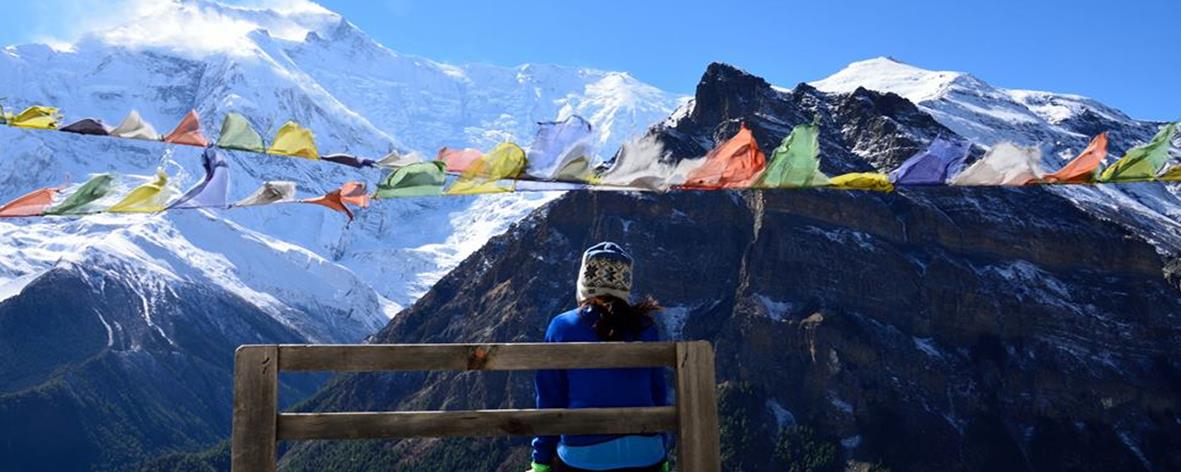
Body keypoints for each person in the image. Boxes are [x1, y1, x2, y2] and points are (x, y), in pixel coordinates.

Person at [530, 242, 670, 472]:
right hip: (648, 455)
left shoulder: (563, 326)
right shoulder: (646, 327)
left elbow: (549, 399)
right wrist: (661, 453)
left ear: (584, 283)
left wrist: (541, 461)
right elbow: (657, 394)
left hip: (584, 458)